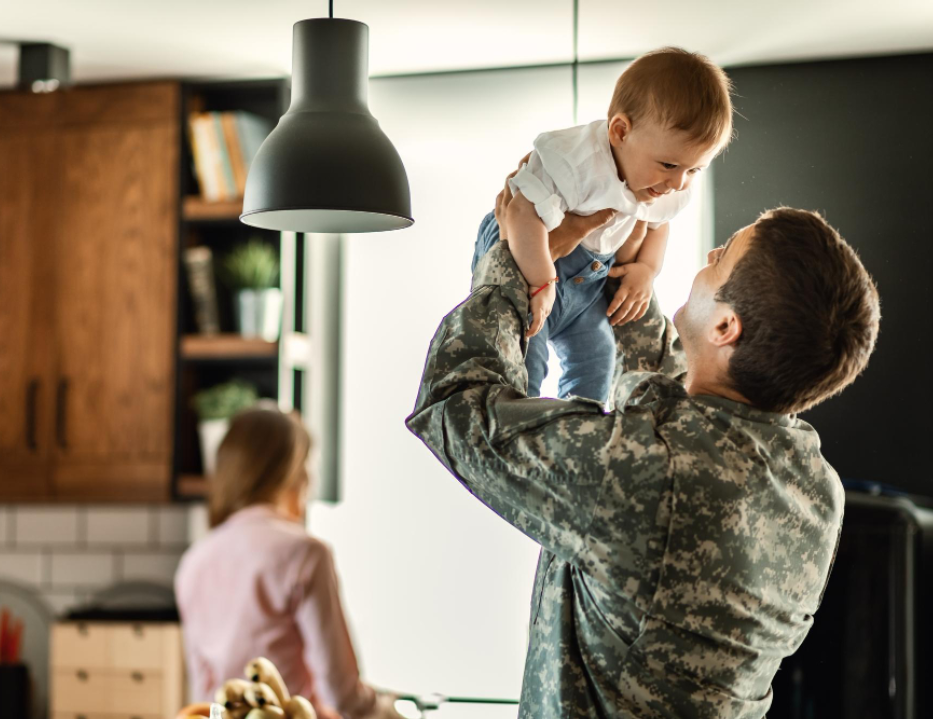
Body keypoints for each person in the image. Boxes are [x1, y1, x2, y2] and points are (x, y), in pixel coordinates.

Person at [407, 172, 881, 717]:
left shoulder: (653, 473)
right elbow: (672, 388)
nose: (708, 253)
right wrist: (604, 257)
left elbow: (455, 403)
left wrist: (515, 267)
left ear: (726, 326)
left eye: (721, 256)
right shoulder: (814, 488)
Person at [471, 47, 732, 408]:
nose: (678, 183)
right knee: (526, 357)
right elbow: (518, 214)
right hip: (529, 253)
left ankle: (579, 428)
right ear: (621, 131)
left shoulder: (661, 181)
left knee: (598, 360)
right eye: (670, 164)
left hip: (588, 283)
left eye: (693, 170)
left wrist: (646, 270)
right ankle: (521, 422)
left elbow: (658, 224)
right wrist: (541, 280)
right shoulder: (575, 162)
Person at [175, 408, 399, 720]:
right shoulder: (305, 553)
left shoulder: (193, 562)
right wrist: (389, 711)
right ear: (293, 473)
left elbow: (205, 692)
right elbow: (342, 693)